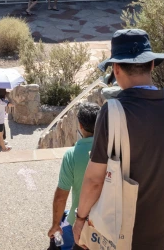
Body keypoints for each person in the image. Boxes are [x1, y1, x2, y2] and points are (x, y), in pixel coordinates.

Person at [73, 29, 164, 250]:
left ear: (116, 68)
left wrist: (80, 219)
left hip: (118, 237)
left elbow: (95, 180)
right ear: (151, 65)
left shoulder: (112, 112)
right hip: (161, 238)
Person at [48, 102, 99, 249]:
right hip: (108, 220)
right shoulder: (112, 150)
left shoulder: (72, 155)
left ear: (80, 126)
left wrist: (55, 225)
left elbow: (61, 196)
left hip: (81, 221)